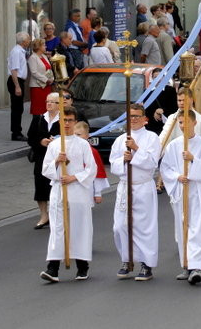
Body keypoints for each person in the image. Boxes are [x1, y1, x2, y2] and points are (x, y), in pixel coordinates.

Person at [39, 106, 97, 283]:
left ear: (75, 122)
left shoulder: (83, 144)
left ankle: (82, 266)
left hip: (78, 191)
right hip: (59, 190)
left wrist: (74, 177)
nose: (67, 124)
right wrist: (57, 162)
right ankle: (53, 267)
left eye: (70, 120)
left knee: (79, 228)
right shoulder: (55, 145)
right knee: (58, 229)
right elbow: (45, 170)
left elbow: (91, 168)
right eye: (64, 120)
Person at [160, 110, 201, 285]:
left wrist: (193, 160)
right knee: (182, 227)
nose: (183, 126)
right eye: (181, 123)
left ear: (194, 123)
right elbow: (166, 168)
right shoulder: (174, 145)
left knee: (197, 228)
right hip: (180, 190)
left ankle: (197, 266)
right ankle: (186, 264)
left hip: (196, 191)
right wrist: (177, 176)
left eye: (186, 122)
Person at [110, 103, 160, 281]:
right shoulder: (120, 139)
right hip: (125, 186)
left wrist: (136, 150)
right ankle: (127, 259)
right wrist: (123, 160)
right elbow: (113, 164)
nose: (134, 120)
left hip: (142, 185)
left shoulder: (152, 137)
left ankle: (146, 263)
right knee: (120, 226)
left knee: (143, 226)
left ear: (145, 119)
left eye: (137, 116)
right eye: (130, 116)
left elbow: (153, 162)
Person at [27, 92, 62, 229]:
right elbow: (30, 138)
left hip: (58, 159)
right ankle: (44, 215)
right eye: (47, 101)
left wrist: (57, 141)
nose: (48, 104)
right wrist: (41, 141)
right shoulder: (39, 118)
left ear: (59, 105)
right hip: (41, 158)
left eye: (52, 102)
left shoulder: (63, 119)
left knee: (55, 186)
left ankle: (57, 214)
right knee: (40, 187)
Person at [7, 32, 30, 142]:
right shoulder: (16, 52)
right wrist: (17, 86)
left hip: (19, 80)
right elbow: (14, 70)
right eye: (28, 39)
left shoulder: (21, 51)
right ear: (23, 41)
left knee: (19, 108)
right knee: (16, 108)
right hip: (16, 80)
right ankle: (16, 132)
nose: (29, 41)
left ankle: (17, 131)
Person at [27, 39, 53, 116]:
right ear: (39, 47)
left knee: (46, 109)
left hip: (46, 86)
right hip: (37, 87)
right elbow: (34, 72)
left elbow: (49, 69)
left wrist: (51, 79)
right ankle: (35, 127)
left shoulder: (44, 56)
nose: (46, 46)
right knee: (38, 111)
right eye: (44, 45)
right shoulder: (33, 57)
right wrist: (46, 80)